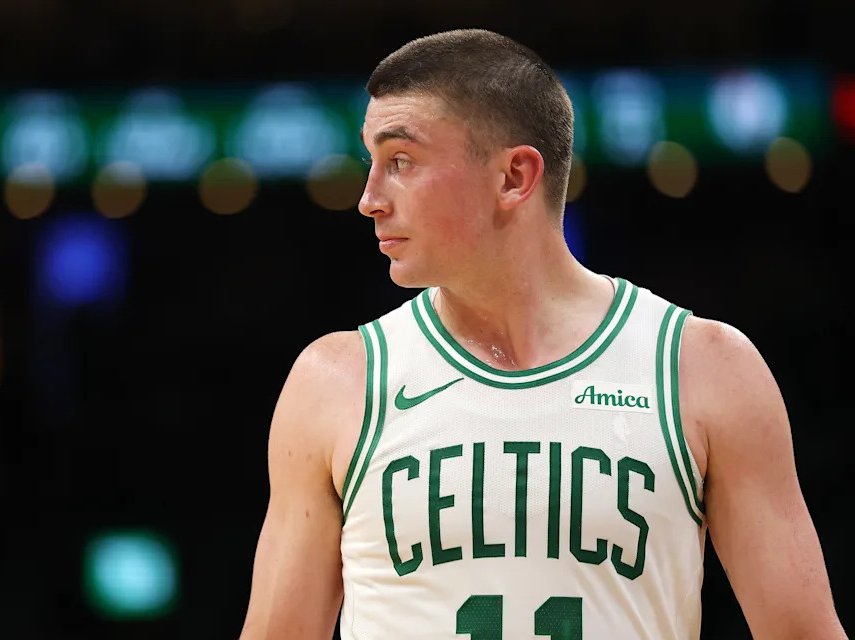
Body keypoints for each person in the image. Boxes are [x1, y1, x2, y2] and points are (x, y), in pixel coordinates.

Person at [238, 28, 847, 639]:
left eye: (401, 161)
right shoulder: (337, 382)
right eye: (370, 161)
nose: (368, 198)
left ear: (513, 177)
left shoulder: (703, 368)